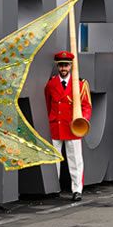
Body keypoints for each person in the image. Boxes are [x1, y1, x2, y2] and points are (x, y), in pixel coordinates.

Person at [44, 51, 92, 201]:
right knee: (54, 160)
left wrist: (82, 120)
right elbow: (47, 103)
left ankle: (77, 190)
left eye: (66, 65)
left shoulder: (80, 84)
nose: (63, 68)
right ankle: (53, 188)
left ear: (71, 66)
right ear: (57, 66)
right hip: (56, 126)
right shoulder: (51, 83)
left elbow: (87, 106)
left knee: (75, 159)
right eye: (61, 65)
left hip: (73, 127)